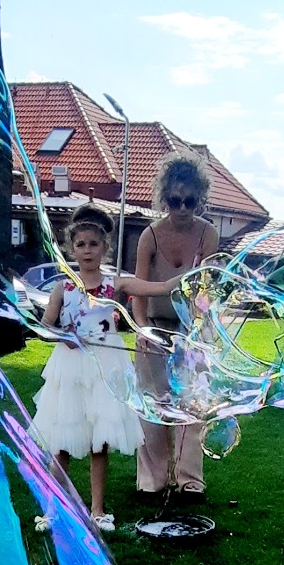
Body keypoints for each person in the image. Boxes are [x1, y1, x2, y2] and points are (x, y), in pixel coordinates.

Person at [31, 210, 186, 533]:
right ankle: (52, 508)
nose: (87, 250)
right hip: (71, 367)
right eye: (81, 244)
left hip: (105, 366)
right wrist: (64, 336)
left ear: (104, 248)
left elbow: (157, 287)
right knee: (61, 442)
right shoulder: (63, 287)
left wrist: (187, 276)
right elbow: (44, 326)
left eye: (93, 244)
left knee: (98, 441)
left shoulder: (114, 284)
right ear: (72, 249)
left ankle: (97, 510)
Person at [131, 153, 220, 496]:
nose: (182, 208)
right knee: (152, 404)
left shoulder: (207, 234)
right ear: (164, 198)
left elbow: (207, 288)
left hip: (191, 329)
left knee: (191, 406)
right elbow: (138, 288)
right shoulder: (150, 236)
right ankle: (153, 479)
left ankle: (189, 480)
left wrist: (198, 330)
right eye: (174, 201)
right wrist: (142, 329)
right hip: (154, 323)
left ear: (200, 198)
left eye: (190, 201)